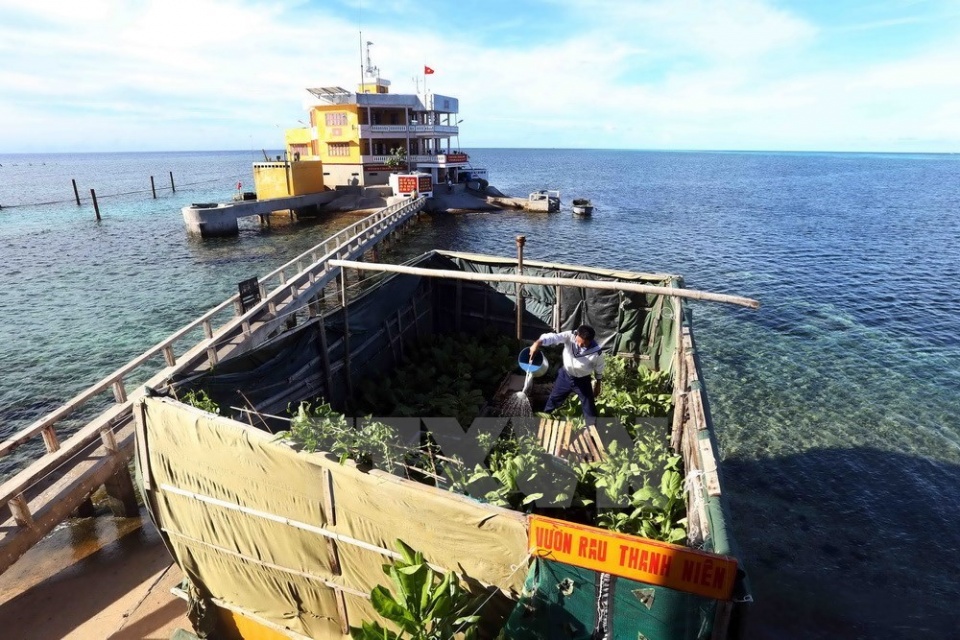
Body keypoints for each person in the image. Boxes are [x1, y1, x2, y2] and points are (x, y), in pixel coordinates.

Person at [528, 325, 605, 425]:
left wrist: (598, 384)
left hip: (582, 380)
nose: (580, 346)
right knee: (554, 399)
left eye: (584, 344)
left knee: (588, 406)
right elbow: (553, 337)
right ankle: (543, 421)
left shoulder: (596, 352)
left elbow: (599, 368)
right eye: (579, 342)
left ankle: (592, 430)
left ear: (590, 341)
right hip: (565, 376)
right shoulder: (569, 336)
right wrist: (537, 343)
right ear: (577, 335)